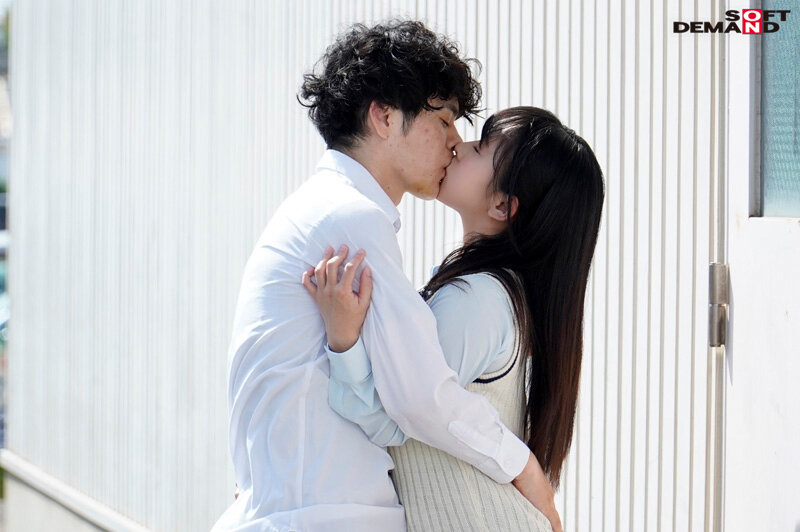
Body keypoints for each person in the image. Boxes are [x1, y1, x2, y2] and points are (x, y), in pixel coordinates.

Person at [212, 21, 558, 532]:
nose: (455, 142)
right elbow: (420, 395)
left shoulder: (327, 209)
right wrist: (524, 466)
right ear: (384, 116)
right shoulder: (350, 217)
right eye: (443, 120)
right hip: (326, 515)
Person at [303, 106, 604, 531]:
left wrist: (343, 338)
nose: (458, 145)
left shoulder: (478, 299)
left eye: (480, 148)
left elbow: (392, 417)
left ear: (502, 205)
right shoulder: (492, 294)